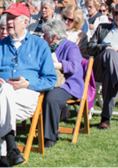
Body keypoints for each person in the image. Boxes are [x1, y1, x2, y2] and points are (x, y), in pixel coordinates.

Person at [0, 3, 57, 167]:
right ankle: (11, 150)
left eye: (13, 18)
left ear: (25, 22)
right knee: (2, 92)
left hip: (25, 97)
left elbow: (51, 79)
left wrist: (29, 83)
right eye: (8, 18)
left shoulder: (40, 45)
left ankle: (5, 155)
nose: (9, 22)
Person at [41, 19, 83, 148]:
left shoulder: (71, 47)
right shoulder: (47, 46)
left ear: (54, 37)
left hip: (69, 84)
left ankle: (49, 137)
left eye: (45, 35)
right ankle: (39, 128)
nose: (43, 37)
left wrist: (56, 65)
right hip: (50, 81)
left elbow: (74, 66)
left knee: (51, 98)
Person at [87, 3, 118, 130]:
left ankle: (105, 119)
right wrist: (106, 47)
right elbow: (90, 48)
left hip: (116, 67)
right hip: (99, 65)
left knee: (109, 75)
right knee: (109, 52)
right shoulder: (103, 28)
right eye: (115, 13)